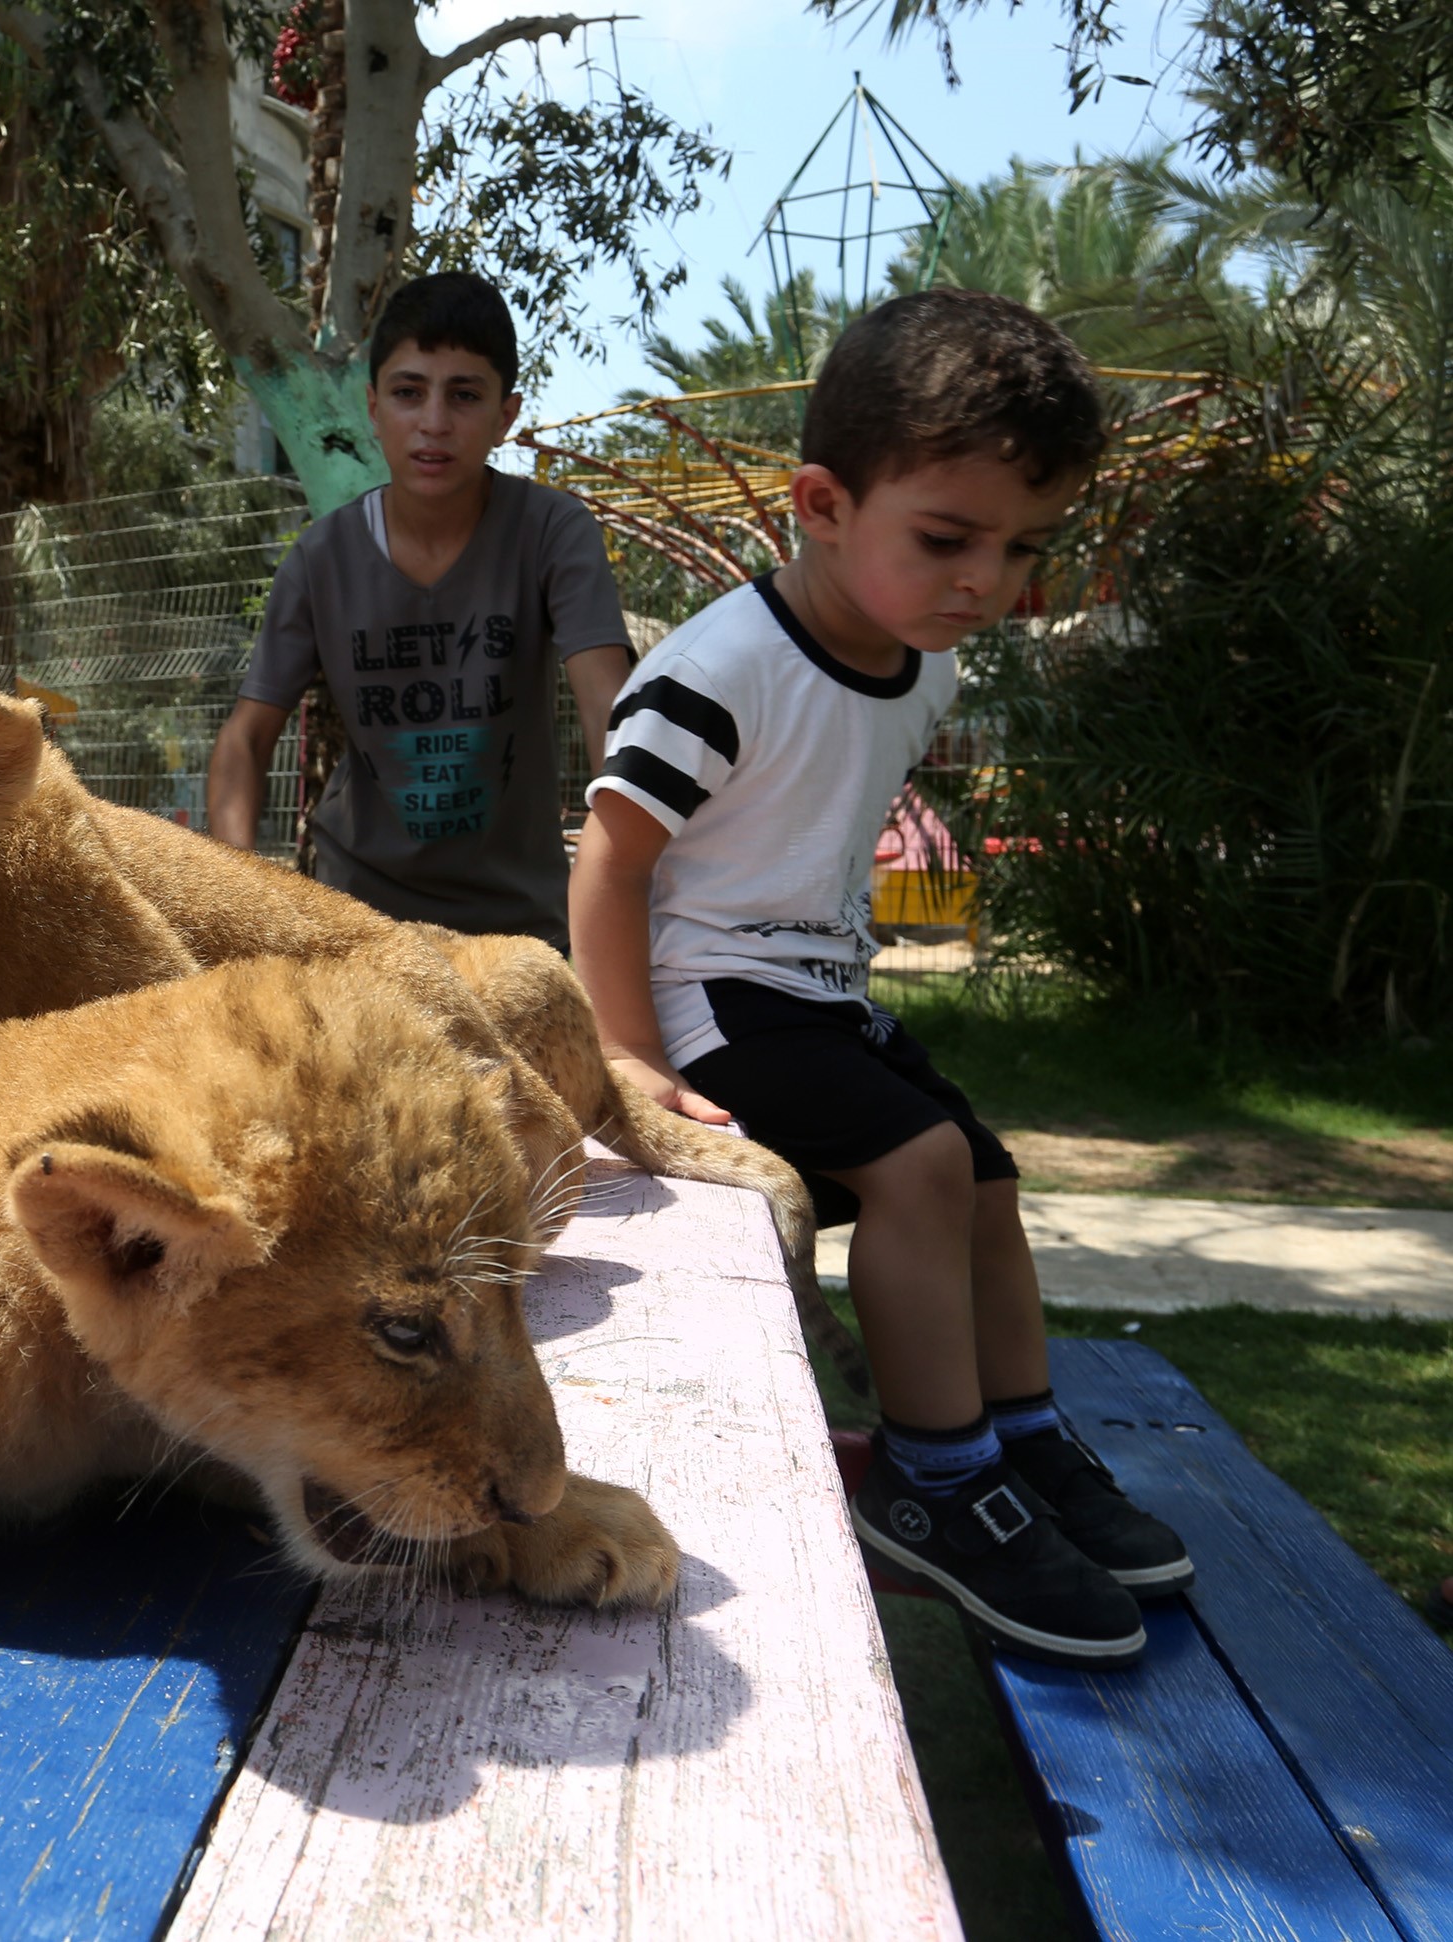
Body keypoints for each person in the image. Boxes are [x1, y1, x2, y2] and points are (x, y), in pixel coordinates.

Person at [569, 290, 1190, 1667]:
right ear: (823, 503)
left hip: (820, 999)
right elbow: (609, 864)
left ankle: (1025, 1447)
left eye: (1024, 546)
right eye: (949, 538)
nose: (989, 578)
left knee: (985, 1178)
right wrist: (624, 1068)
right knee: (916, 1168)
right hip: (709, 1004)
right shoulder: (717, 670)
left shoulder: (924, 670)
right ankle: (939, 1481)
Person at [205, 270, 633, 948]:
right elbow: (245, 738)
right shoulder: (321, 560)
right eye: (409, 393)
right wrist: (236, 897)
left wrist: (629, 886)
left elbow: (609, 715)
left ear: (505, 416)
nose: (434, 422)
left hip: (520, 926)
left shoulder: (552, 531)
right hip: (359, 917)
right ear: (373, 408)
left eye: (464, 395)